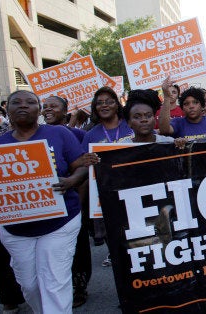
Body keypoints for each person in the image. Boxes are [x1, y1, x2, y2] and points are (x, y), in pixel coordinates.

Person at [0, 90, 88, 313]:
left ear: (39, 110)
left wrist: (71, 180)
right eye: (16, 102)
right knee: (31, 285)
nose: (23, 106)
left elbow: (82, 165)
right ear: (7, 109)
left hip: (61, 222)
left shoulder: (59, 134)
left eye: (30, 102)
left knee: (54, 284)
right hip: (17, 230)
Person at [42, 96, 92, 307]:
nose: (48, 110)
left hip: (71, 202)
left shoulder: (78, 135)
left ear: (65, 111)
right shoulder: (34, 136)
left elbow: (82, 165)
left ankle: (78, 286)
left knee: (77, 249)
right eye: (45, 107)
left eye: (53, 106)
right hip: (42, 207)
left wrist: (74, 183)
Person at [81, 86, 133, 267]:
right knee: (116, 242)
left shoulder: (131, 124)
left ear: (117, 105)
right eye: (99, 103)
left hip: (134, 190)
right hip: (106, 195)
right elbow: (83, 165)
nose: (104, 105)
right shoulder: (90, 135)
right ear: (95, 107)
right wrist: (86, 161)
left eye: (109, 101)